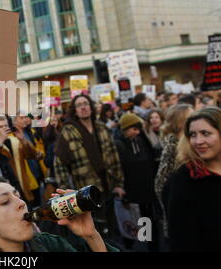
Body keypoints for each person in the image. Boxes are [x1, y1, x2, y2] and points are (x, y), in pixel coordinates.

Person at [0, 168, 120, 252]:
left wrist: (91, 235)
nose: (21, 203)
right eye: (5, 202)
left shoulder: (49, 244)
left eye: (17, 195)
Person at [54, 94, 125, 238]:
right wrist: (65, 194)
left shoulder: (102, 127)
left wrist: (118, 183)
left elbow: (114, 156)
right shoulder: (68, 131)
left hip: (108, 185)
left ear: (91, 108)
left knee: (111, 226)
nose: (83, 107)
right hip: (85, 191)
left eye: (85, 103)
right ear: (75, 110)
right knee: (94, 231)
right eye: (79, 105)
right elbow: (60, 163)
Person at [168, 107, 221, 251]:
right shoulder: (184, 178)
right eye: (192, 135)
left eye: (205, 133)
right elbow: (180, 237)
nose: (198, 141)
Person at [115, 113, 160, 251]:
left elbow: (151, 158)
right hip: (131, 189)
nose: (138, 132)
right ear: (126, 129)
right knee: (132, 218)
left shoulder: (141, 140)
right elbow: (117, 167)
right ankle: (130, 243)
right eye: (134, 129)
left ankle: (151, 244)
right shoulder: (118, 144)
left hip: (146, 188)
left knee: (147, 217)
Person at [154, 104, 193, 238]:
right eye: (191, 116)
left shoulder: (189, 141)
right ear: (181, 122)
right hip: (182, 213)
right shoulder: (172, 146)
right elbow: (160, 183)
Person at [0, 116, 41, 206]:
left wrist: (23, 139)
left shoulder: (15, 141)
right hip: (7, 190)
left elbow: (33, 155)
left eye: (6, 125)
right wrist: (1, 141)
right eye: (1, 127)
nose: (4, 128)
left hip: (23, 186)